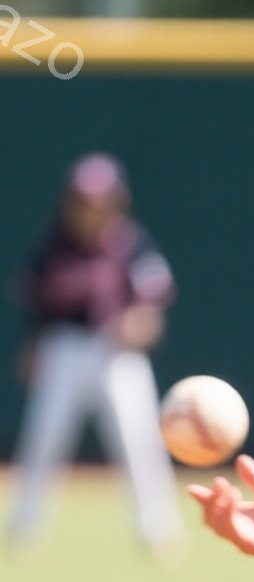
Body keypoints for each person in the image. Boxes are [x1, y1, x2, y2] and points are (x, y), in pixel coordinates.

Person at [6, 153, 182, 553]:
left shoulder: (132, 242)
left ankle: (157, 529)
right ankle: (25, 526)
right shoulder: (52, 245)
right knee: (43, 440)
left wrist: (139, 324)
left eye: (99, 201)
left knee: (139, 442)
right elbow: (36, 306)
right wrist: (32, 346)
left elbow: (152, 305)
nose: (90, 209)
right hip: (64, 349)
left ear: (116, 202)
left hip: (116, 354)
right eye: (83, 200)